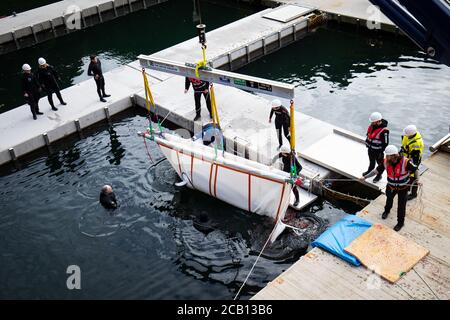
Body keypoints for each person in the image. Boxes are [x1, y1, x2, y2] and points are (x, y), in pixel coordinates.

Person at [360, 145, 418, 231]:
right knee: (389, 199)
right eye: (386, 155)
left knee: (401, 206)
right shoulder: (385, 161)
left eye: (389, 155)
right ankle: (386, 211)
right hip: (391, 186)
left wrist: (418, 180)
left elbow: (416, 170)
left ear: (395, 155)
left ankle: (400, 223)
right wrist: (365, 177)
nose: (387, 157)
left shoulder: (406, 162)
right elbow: (376, 171)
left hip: (403, 188)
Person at [363, 111, 389, 183]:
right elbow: (368, 135)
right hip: (370, 149)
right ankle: (370, 171)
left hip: (378, 151)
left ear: (378, 121)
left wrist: (381, 151)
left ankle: (378, 175)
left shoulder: (384, 131)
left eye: (373, 122)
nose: (371, 123)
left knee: (380, 164)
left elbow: (386, 143)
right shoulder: (372, 127)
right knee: (371, 161)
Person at [400, 124, 424, 200]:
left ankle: (414, 194)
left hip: (413, 160)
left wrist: (413, 166)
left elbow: (415, 157)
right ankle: (406, 188)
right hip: (405, 158)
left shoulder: (417, 143)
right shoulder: (408, 136)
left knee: (413, 176)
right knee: (405, 174)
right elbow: (404, 146)